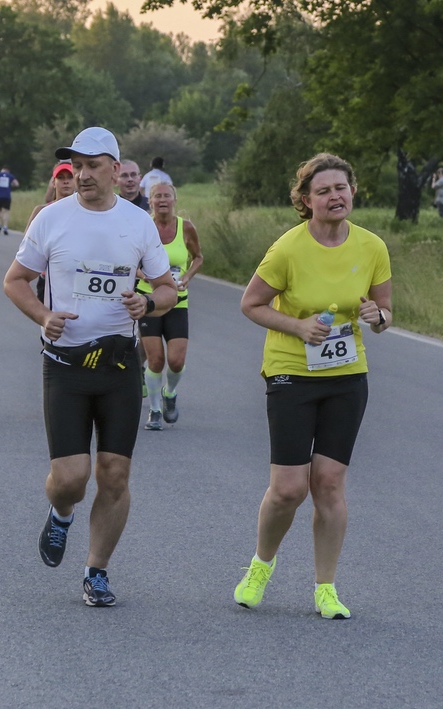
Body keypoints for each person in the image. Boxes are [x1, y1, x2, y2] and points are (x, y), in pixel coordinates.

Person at [3, 127, 178, 607]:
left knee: (114, 474)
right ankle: (61, 514)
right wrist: (43, 316)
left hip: (119, 365)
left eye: (92, 165)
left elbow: (167, 287)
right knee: (70, 479)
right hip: (66, 364)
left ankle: (96, 571)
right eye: (76, 166)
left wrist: (148, 303)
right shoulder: (51, 218)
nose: (82, 174)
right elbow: (15, 280)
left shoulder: (137, 222)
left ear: (115, 170)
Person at [232, 153, 391, 619]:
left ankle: (326, 588)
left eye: (341, 188)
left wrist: (378, 316)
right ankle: (261, 565)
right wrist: (298, 326)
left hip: (346, 376)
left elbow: (384, 312)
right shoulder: (287, 249)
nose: (334, 196)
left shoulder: (372, 247)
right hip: (291, 373)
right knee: (288, 489)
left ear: (352, 191)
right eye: (323, 191)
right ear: (306, 200)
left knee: (329, 484)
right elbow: (251, 304)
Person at [137, 181, 203, 430]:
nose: (162, 200)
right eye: (157, 196)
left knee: (176, 361)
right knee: (155, 360)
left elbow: (198, 257)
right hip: (150, 301)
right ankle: (154, 411)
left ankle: (170, 392)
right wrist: (143, 275)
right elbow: (129, 258)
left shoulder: (186, 227)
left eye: (167, 196)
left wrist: (187, 276)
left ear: (174, 200)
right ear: (150, 201)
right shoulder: (143, 226)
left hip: (178, 301)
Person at [29, 162, 77, 303]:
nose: (66, 181)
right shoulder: (41, 211)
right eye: (60, 178)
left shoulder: (87, 212)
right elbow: (28, 246)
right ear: (53, 182)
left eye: (70, 177)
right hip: (49, 280)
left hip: (77, 279)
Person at [0, 165, 19, 234]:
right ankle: (5, 226)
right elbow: (16, 184)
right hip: (7, 196)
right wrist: (11, 185)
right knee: (6, 211)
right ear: (8, 170)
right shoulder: (10, 176)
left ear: (2, 169)